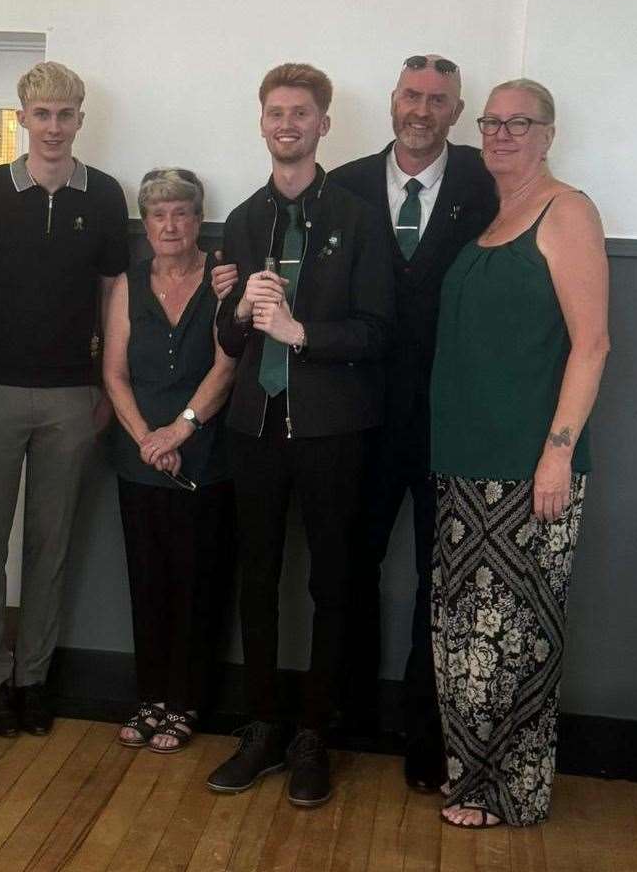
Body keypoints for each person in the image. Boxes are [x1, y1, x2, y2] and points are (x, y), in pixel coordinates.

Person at [206, 64, 395, 807]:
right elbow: (226, 336)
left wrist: (299, 331)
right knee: (256, 577)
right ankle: (262, 726)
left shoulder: (357, 215)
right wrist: (239, 310)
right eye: (276, 111)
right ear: (261, 123)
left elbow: (378, 332)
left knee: (332, 582)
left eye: (302, 112)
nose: (288, 122)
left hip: (332, 429)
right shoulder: (246, 218)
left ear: (324, 125)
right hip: (254, 425)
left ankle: (315, 732)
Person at [430, 79, 609, 828]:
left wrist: (556, 455)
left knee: (516, 635)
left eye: (520, 122)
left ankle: (513, 790)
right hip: (463, 461)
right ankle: (470, 777)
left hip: (529, 469)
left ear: (548, 133)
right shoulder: (492, 212)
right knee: (465, 634)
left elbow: (591, 343)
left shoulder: (567, 211)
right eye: (492, 122)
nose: (502, 133)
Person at [327, 55, 498, 790]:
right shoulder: (345, 185)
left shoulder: (484, 188)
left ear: (457, 112)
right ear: (393, 102)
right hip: (357, 418)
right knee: (346, 568)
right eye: (411, 96)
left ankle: (426, 730)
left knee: (441, 576)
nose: (421, 110)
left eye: (438, 100)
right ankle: (345, 712)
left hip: (446, 419)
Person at [0, 61, 129, 737]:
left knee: (50, 546)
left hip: (70, 396)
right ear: (21, 118)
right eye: (42, 113)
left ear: (81, 119)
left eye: (66, 113)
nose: (54, 126)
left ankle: (34, 676)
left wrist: (109, 385)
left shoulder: (106, 196)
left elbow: (116, 294)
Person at [103, 168, 236, 753]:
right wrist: (147, 441)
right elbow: (113, 372)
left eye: (181, 212)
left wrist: (178, 432)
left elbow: (226, 367)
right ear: (146, 223)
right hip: (141, 460)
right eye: (158, 214)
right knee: (148, 581)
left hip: (207, 455)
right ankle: (151, 696)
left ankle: (186, 702)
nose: (169, 224)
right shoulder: (128, 285)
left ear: (199, 219)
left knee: (198, 582)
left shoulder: (222, 282)